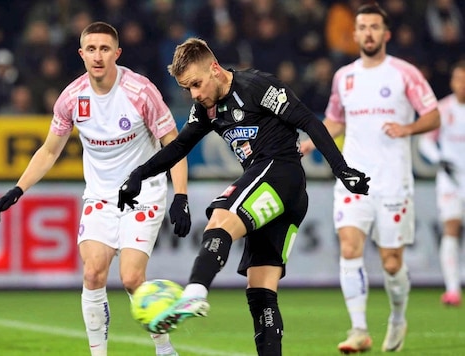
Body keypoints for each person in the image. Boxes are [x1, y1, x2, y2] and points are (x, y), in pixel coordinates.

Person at [118, 37, 370, 356]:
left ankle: (195, 291)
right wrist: (138, 174)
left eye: (196, 84)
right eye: (187, 89)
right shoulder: (206, 109)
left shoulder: (257, 86)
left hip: (279, 173)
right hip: (281, 193)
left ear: (214, 69)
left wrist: (341, 168)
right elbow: (179, 147)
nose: (194, 94)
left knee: (221, 217)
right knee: (261, 290)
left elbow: (307, 121)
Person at [0, 22, 189, 356]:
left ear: (117, 53)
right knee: (93, 273)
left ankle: (164, 349)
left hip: (143, 192)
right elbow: (50, 150)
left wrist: (181, 196)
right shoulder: (71, 98)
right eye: (92, 49)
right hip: (99, 196)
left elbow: (175, 145)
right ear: (81, 54)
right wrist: (19, 188)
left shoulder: (141, 92)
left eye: (105, 49)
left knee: (130, 278)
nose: (98, 56)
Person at [300, 3, 440, 353]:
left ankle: (397, 317)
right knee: (350, 248)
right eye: (362, 27)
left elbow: (434, 114)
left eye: (374, 27)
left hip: (393, 180)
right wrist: (309, 143)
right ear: (355, 33)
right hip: (353, 177)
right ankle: (359, 329)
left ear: (386, 33)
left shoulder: (404, 73)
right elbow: (335, 121)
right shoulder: (344, 76)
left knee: (392, 263)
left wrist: (408, 127)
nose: (368, 33)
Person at [418, 59, 465, 307]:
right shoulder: (443, 109)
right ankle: (453, 289)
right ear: (452, 81)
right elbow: (426, 142)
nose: (462, 85)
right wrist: (441, 159)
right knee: (451, 228)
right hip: (451, 181)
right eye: (459, 79)